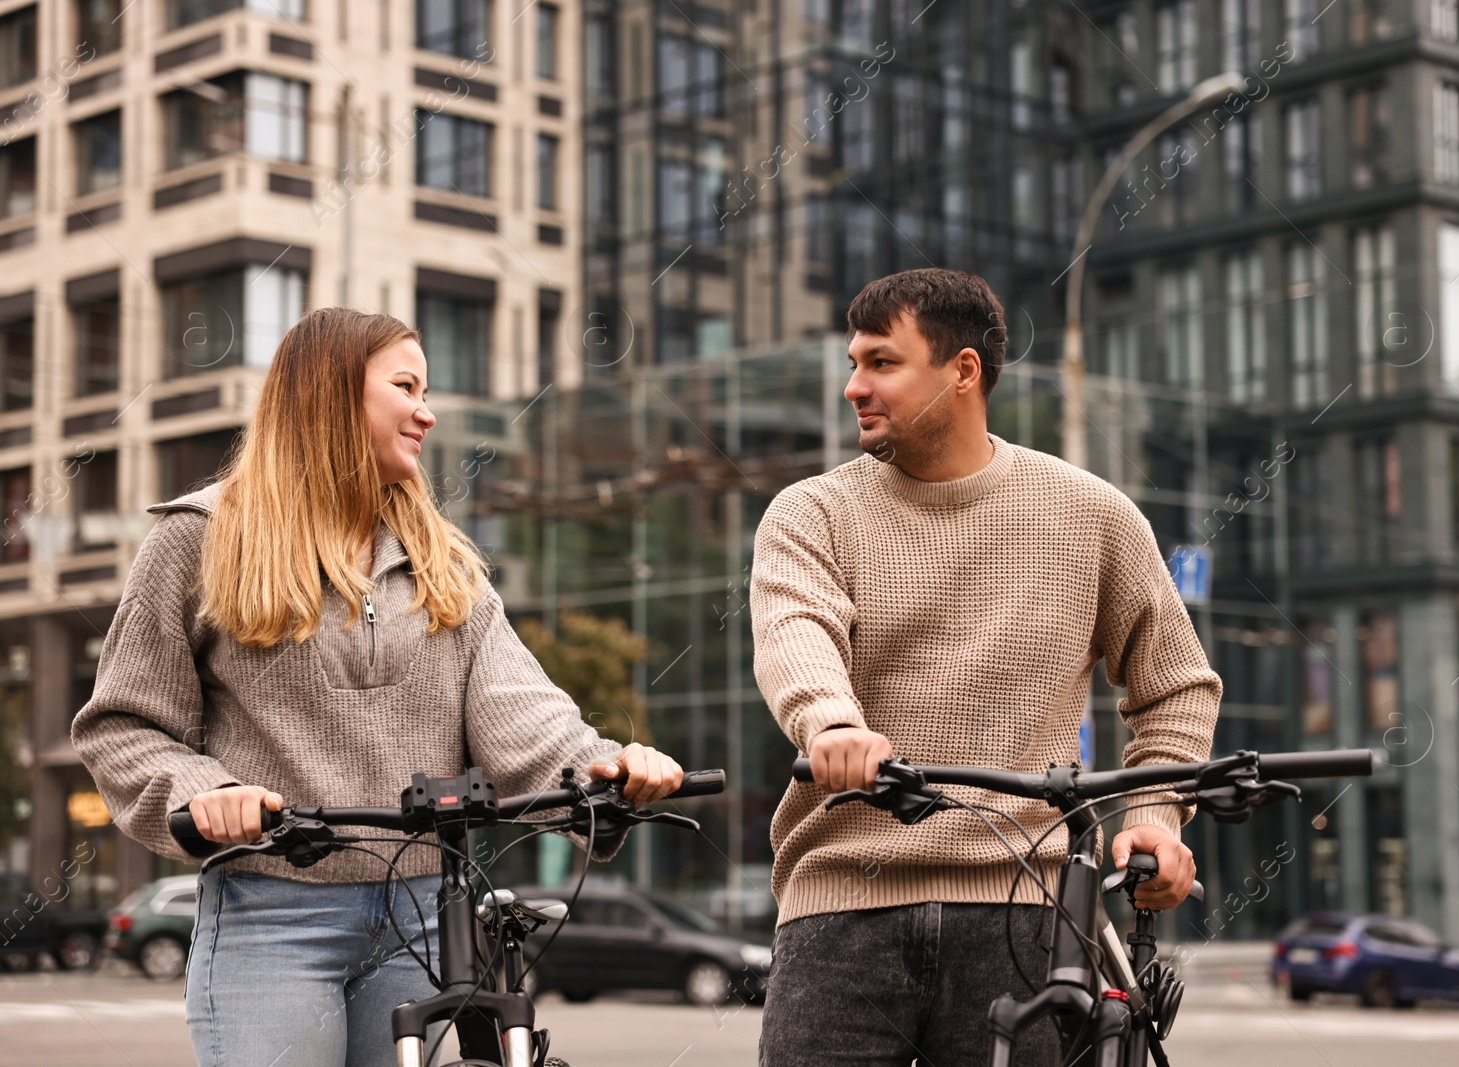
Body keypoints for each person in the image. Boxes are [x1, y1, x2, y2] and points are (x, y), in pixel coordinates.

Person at [72, 307, 683, 1067]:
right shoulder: (198, 538)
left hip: (425, 918)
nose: (427, 411)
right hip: (273, 917)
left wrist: (600, 769)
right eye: (406, 386)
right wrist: (204, 790)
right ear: (331, 396)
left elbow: (523, 715)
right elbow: (123, 724)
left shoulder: (442, 560)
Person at [750, 269, 1221, 1065]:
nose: (852, 387)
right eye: (853, 362)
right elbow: (796, 632)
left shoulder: (1094, 515)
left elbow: (1174, 686)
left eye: (881, 363)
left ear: (963, 371)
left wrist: (1151, 814)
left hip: (1025, 918)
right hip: (841, 912)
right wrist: (831, 722)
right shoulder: (812, 512)